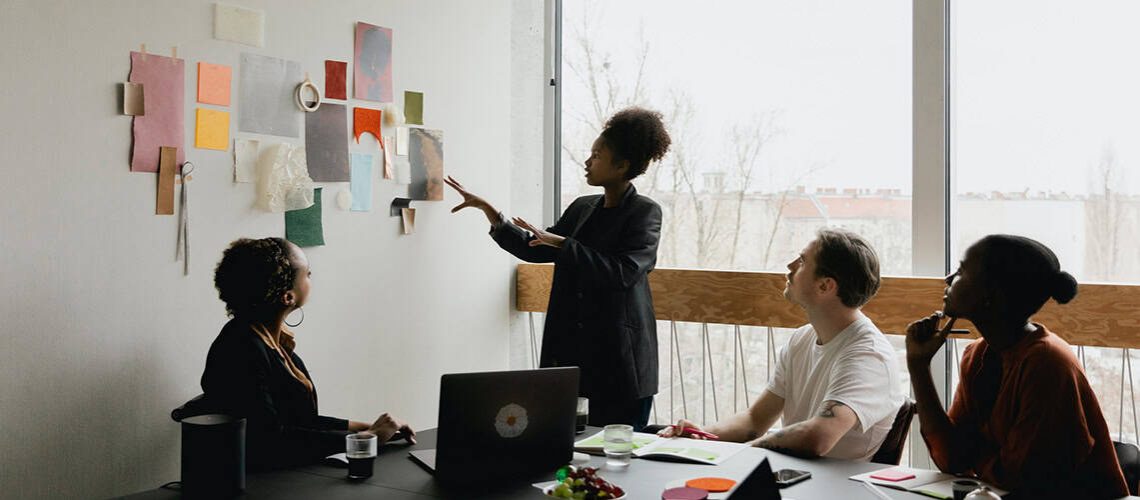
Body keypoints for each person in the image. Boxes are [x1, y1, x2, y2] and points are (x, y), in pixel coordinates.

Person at [445, 107, 671, 430]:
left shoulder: (645, 212)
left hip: (619, 361)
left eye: (597, 155)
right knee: (564, 443)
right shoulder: (583, 207)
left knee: (619, 450)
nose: (587, 161)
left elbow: (623, 272)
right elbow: (536, 247)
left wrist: (564, 245)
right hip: (570, 354)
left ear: (622, 166)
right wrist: (492, 213)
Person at [907, 235, 1127, 497]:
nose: (948, 278)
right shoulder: (977, 355)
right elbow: (951, 459)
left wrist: (971, 453)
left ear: (991, 295)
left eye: (961, 271)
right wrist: (918, 365)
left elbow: (1019, 478)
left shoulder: (1046, 364)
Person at [661, 229, 904, 461]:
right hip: (793, 476)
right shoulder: (802, 338)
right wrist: (701, 436)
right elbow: (755, 420)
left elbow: (819, 436)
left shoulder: (868, 356)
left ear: (825, 286)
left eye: (802, 261)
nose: (790, 266)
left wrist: (742, 453)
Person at [200, 237, 415, 471]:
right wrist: (367, 438)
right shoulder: (240, 350)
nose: (311, 278)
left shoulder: (269, 340)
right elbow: (270, 440)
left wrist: (366, 428)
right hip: (267, 480)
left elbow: (300, 421)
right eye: (308, 274)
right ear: (288, 296)